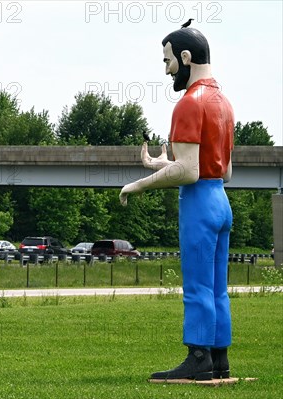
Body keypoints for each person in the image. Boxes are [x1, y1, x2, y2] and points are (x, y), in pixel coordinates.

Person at [119, 27, 234, 381]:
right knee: (218, 287)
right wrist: (160, 164)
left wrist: (138, 184)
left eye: (168, 60)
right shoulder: (224, 103)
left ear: (185, 58)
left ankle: (197, 359)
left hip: (199, 205)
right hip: (221, 201)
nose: (167, 70)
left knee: (197, 285)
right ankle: (218, 358)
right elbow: (221, 170)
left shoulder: (189, 103)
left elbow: (187, 172)